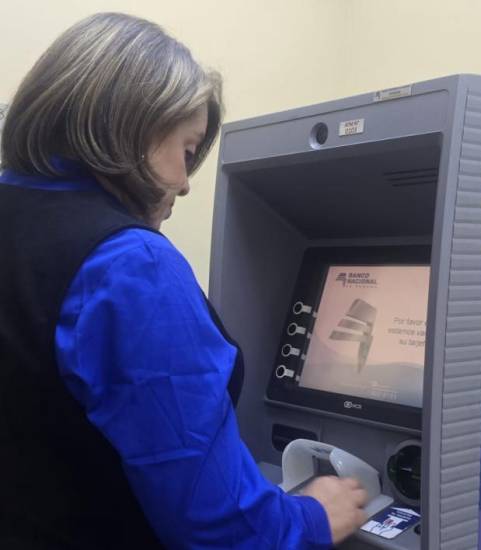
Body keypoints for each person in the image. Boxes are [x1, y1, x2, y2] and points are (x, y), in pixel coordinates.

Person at [0, 12, 367, 549]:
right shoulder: (130, 266)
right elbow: (217, 525)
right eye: (187, 152)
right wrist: (313, 516)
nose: (185, 184)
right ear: (128, 126)